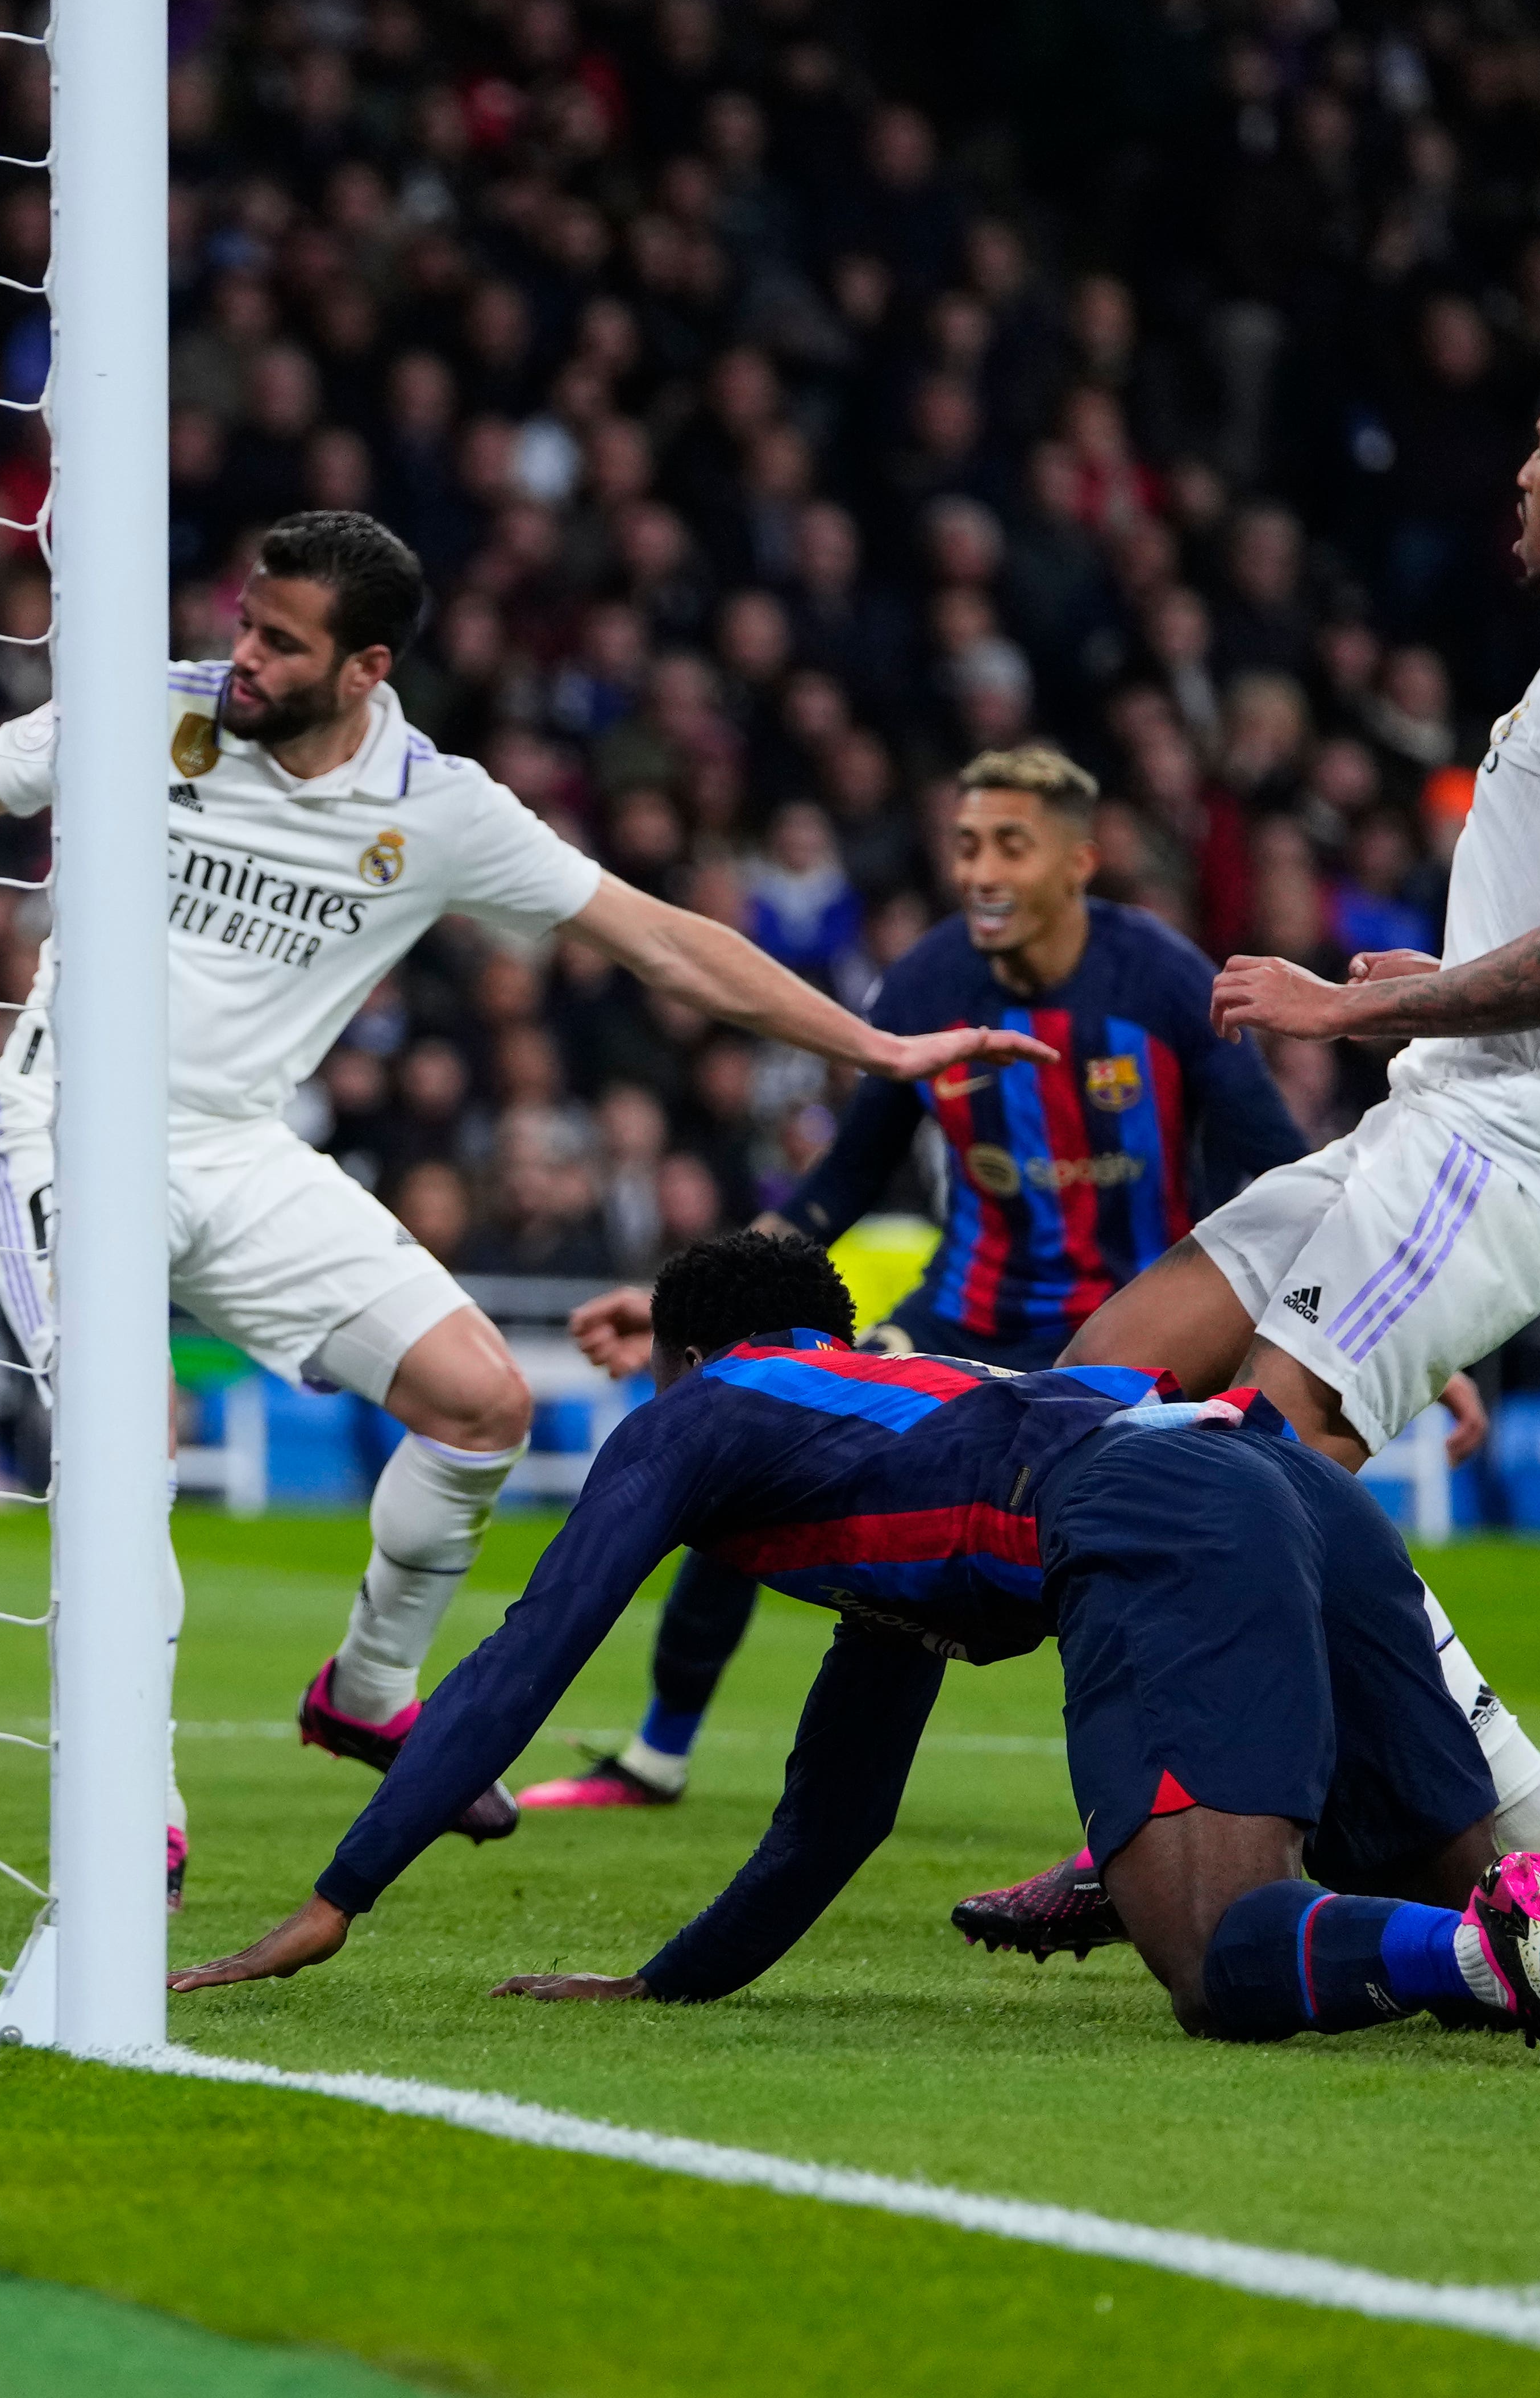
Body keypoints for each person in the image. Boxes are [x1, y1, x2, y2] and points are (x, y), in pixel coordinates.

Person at [0, 511, 1051, 1900]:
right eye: (242, 622)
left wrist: (878, 1049)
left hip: (237, 1146)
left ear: (364, 669)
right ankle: (131, 1793)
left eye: (277, 642)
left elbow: (659, 939)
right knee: (127, 1439)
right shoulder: (139, 713)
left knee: (480, 1402)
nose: (238, 657)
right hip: (67, 1128)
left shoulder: (436, 804)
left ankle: (365, 1689)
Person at [171, 1235, 1540, 2055]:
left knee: (1226, 1960)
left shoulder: (699, 1418)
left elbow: (526, 1654)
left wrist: (346, 1888)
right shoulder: (883, 1455)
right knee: (1496, 1886)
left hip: (1160, 1512)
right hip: (1269, 1482)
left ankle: (1498, 1953)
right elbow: (833, 1810)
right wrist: (666, 1990)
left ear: (686, 1353)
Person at [536, 741, 1469, 1815]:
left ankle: (1203, 1797)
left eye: (1010, 846)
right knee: (738, 1429)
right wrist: (684, 1306)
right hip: (961, 1315)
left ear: (1078, 861)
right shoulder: (928, 980)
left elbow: (1267, 1161)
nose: (980, 870)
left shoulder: (1158, 977)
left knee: (1214, 1539)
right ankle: (658, 1753)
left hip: (1128, 1337)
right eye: (967, 844)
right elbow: (841, 1178)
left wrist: (1385, 1316)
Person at [1060, 314, 1540, 1471]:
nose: (1523, 474)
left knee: (1256, 1463)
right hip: (1443, 1125)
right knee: (1096, 1385)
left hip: (1502, 1148)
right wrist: (1457, 983)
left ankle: (1433, 1668)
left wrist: (1355, 1008)